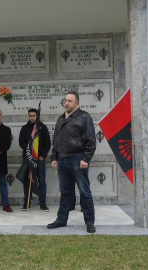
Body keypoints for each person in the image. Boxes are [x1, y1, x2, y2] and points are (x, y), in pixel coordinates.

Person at [47, 91, 97, 233]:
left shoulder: (84, 117)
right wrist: (54, 157)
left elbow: (91, 140)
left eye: (70, 101)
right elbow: (56, 140)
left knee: (84, 191)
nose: (66, 103)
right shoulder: (61, 118)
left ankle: (89, 222)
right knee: (65, 191)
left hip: (77, 159)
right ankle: (61, 220)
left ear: (77, 103)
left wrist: (85, 158)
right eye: (65, 100)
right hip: (62, 159)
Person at [19, 108, 51, 211]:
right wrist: (29, 151)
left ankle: (43, 203)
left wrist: (43, 155)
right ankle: (27, 202)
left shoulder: (42, 127)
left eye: (33, 116)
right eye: (30, 116)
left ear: (37, 116)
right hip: (28, 159)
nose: (32, 117)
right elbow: (21, 142)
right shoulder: (24, 128)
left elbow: (47, 144)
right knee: (27, 181)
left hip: (40, 160)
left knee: (41, 181)